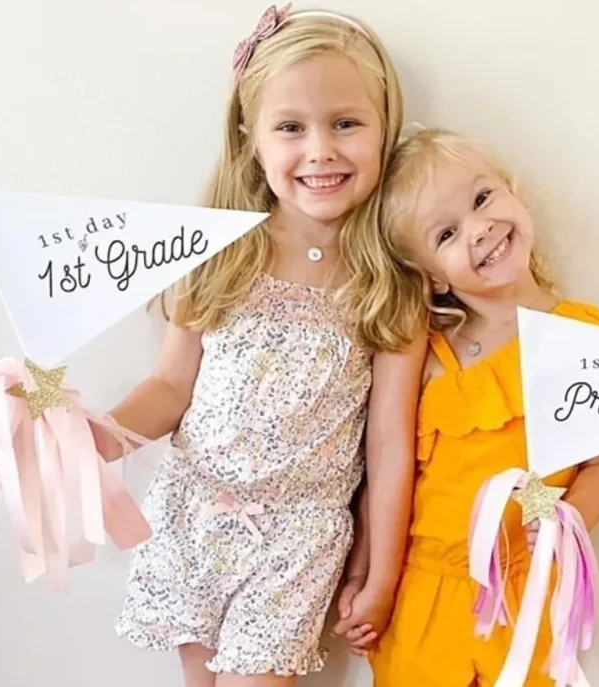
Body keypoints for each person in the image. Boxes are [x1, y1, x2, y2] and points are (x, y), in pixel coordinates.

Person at [95, 5, 426, 686]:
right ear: (250, 138)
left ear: (384, 125)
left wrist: (381, 569)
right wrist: (96, 435)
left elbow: (390, 444)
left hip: (297, 542)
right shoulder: (220, 252)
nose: (321, 150)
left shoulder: (389, 281)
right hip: (195, 514)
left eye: (345, 123)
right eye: (290, 128)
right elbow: (168, 387)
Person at [340, 127, 599, 685]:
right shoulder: (424, 348)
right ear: (431, 276)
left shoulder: (584, 340)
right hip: (419, 590)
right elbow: (388, 472)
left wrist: (555, 516)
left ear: (512, 190)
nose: (480, 229)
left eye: (482, 199)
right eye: (447, 233)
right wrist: (367, 576)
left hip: (520, 591)